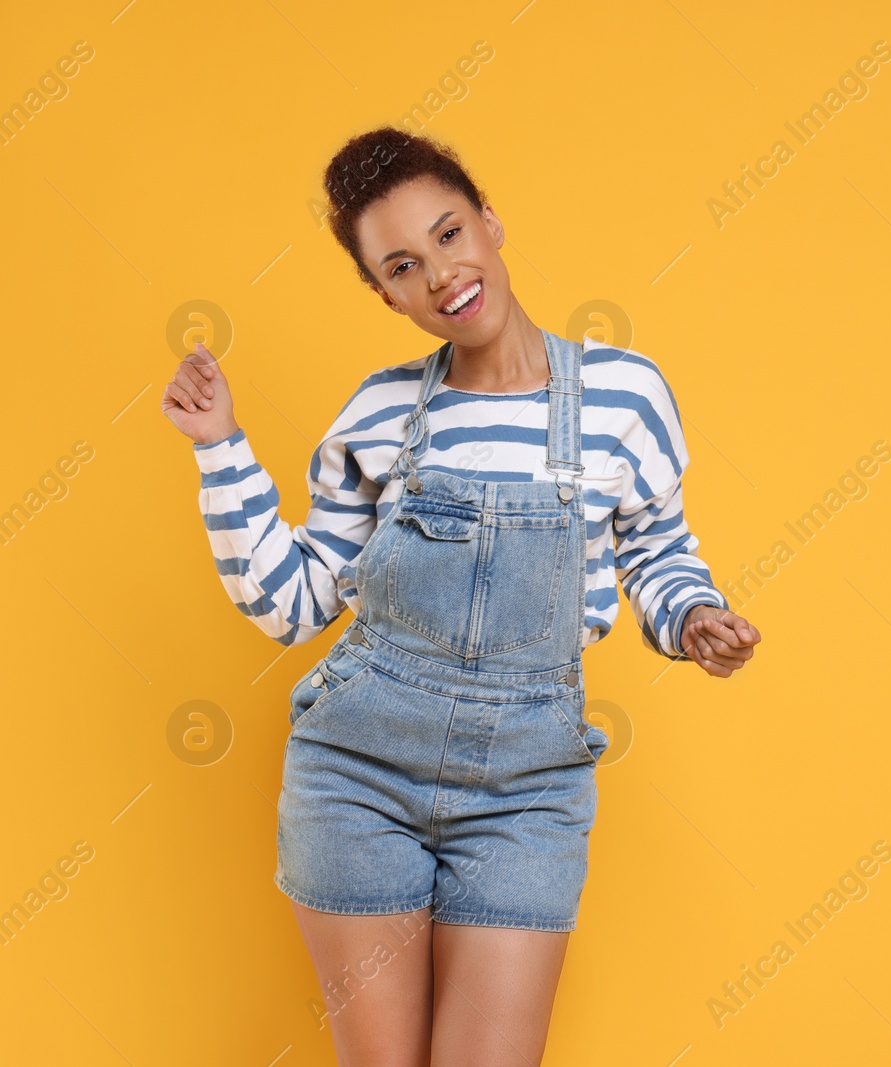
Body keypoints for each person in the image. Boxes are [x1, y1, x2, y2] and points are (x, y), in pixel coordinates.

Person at [160, 126, 760, 1066]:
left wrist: (691, 618)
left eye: (448, 234)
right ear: (384, 293)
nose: (438, 273)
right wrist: (219, 448)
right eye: (402, 265)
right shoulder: (379, 412)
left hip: (526, 792)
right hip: (359, 778)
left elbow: (655, 551)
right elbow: (293, 601)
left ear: (490, 221)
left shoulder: (624, 397)